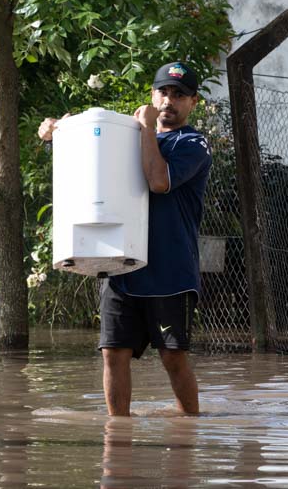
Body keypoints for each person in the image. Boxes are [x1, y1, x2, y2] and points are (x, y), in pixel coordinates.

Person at [38, 62, 212, 416]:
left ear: (193, 102)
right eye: (163, 92)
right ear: (152, 94)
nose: (169, 100)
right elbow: (87, 168)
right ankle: (117, 437)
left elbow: (158, 181)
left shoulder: (193, 143)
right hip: (120, 266)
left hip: (169, 274)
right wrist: (59, 135)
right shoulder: (125, 137)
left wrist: (145, 129)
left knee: (172, 358)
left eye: (179, 95)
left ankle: (189, 431)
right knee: (113, 354)